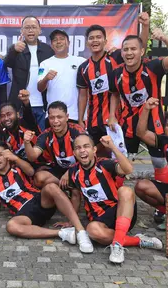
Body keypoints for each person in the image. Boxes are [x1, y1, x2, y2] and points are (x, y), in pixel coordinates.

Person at [0, 141, 93, 254]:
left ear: (7, 155)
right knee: (11, 226)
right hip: (25, 214)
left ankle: (80, 231)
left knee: (51, 187)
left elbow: (30, 172)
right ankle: (63, 234)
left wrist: (15, 158)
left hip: (39, 201)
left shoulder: (18, 168)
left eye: (0, 154)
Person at [67, 134, 162, 264]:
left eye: (86, 146)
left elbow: (128, 169)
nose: (82, 150)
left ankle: (117, 245)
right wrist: (71, 221)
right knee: (92, 230)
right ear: (74, 152)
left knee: (126, 190)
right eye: (78, 148)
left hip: (120, 211)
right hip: (99, 219)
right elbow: (76, 196)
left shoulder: (105, 164)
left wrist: (113, 147)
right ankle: (137, 240)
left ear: (94, 149)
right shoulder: (73, 172)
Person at [77, 13, 150, 156]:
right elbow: (83, 95)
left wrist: (145, 26)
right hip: (93, 121)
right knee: (96, 156)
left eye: (98, 37)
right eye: (91, 38)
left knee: (116, 156)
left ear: (105, 40)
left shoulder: (116, 57)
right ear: (87, 43)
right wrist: (80, 119)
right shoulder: (83, 67)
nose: (95, 40)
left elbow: (139, 45)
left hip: (115, 120)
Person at [109, 31, 168, 185]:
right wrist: (112, 115)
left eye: (133, 49)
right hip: (128, 123)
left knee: (159, 162)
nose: (129, 53)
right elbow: (114, 94)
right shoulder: (116, 74)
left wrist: (164, 38)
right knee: (121, 162)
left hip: (153, 123)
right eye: (126, 49)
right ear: (121, 52)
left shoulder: (153, 66)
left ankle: (162, 206)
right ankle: (116, 199)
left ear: (141, 51)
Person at [5, 15, 54, 130]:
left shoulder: (48, 50)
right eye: (27, 28)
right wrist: (14, 51)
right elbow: (7, 64)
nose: (30, 30)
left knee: (42, 140)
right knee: (22, 142)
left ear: (40, 30)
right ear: (22, 31)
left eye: (33, 27)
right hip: (21, 105)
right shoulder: (16, 48)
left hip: (43, 105)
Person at [24, 101, 85, 188]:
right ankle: (67, 188)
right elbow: (32, 157)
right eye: (52, 118)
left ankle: (72, 187)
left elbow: (88, 156)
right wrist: (26, 142)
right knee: (39, 178)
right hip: (59, 171)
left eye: (59, 117)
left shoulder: (77, 132)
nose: (55, 121)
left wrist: (70, 172)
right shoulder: (46, 135)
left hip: (80, 169)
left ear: (67, 117)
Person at [37, 29, 85, 126]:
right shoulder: (44, 64)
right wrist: (46, 78)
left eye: (62, 39)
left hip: (74, 116)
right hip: (53, 116)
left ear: (68, 42)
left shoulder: (81, 62)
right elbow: (39, 88)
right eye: (55, 40)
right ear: (51, 44)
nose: (58, 42)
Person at [135, 97, 168, 230]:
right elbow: (141, 133)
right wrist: (146, 109)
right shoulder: (164, 140)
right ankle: (163, 210)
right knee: (141, 186)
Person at [0, 89, 40, 160]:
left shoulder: (26, 123)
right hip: (17, 166)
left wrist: (26, 101)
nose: (6, 118)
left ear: (17, 114)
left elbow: (28, 114)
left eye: (9, 114)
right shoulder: (1, 133)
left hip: (38, 164)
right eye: (2, 116)